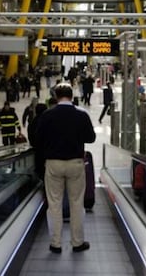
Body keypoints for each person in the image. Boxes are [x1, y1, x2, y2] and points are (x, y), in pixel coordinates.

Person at [35, 83, 96, 254]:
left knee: (54, 204)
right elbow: (91, 138)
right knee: (76, 203)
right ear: (71, 96)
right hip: (75, 163)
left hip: (54, 164)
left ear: (56, 97)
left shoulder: (47, 116)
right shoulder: (81, 115)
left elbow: (38, 139)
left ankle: (56, 243)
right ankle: (77, 243)